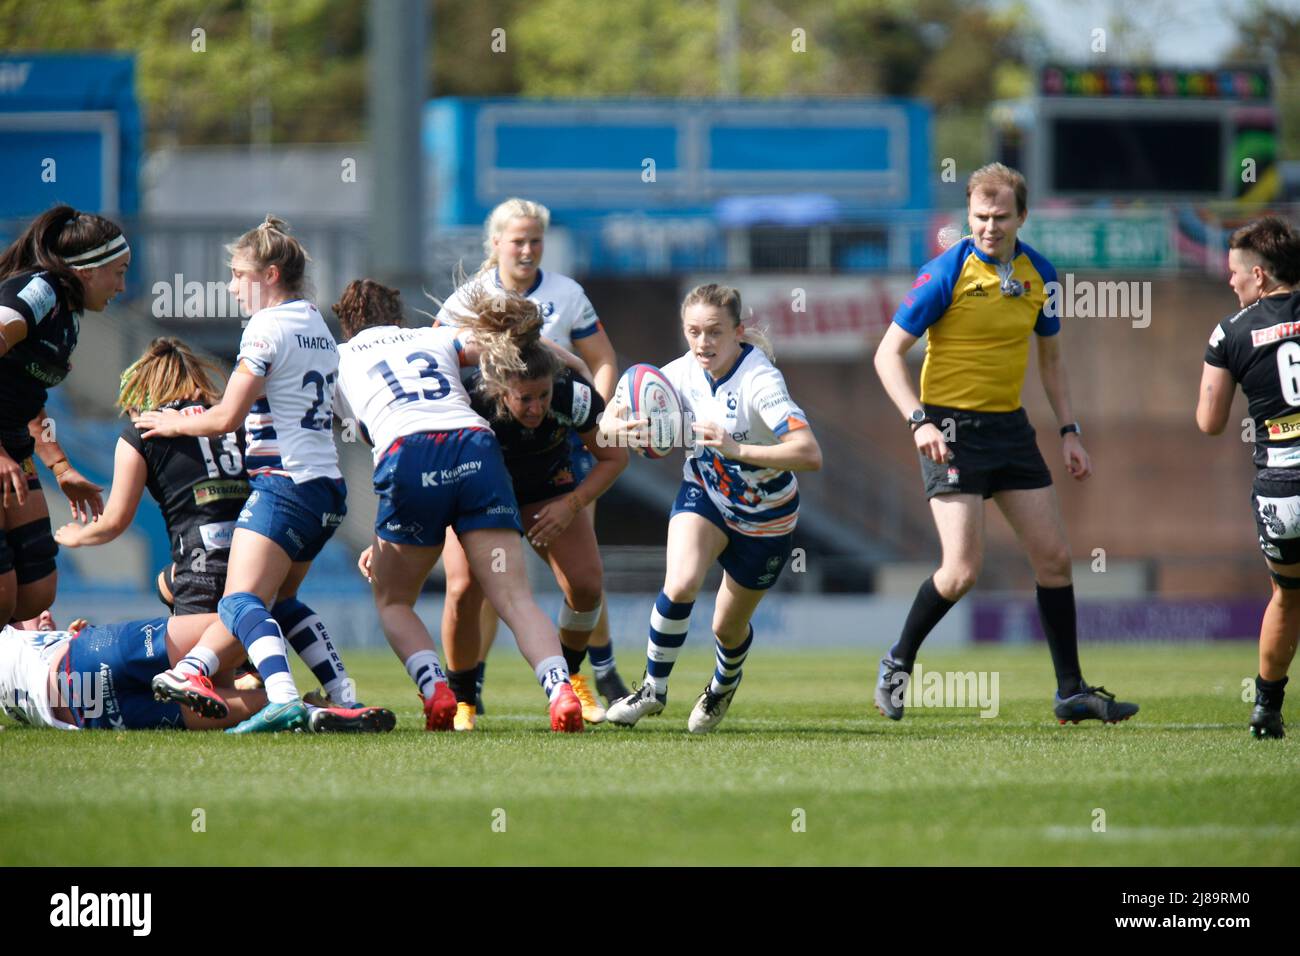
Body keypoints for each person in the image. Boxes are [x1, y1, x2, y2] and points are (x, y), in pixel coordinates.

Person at [871, 162, 1138, 725]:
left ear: (1022, 215)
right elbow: (887, 355)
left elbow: (1052, 359)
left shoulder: (1041, 273)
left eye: (1000, 217)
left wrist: (1070, 432)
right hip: (949, 430)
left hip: (1011, 430)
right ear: (967, 216)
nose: (989, 227)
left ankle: (1071, 692)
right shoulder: (945, 271)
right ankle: (898, 662)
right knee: (962, 570)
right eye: (979, 217)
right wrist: (918, 421)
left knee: (1055, 560)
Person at [134, 216, 358, 733]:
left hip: (285, 484)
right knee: (276, 600)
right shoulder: (316, 325)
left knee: (239, 601)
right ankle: (341, 691)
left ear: (271, 273)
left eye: (238, 274)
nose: (232, 285)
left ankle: (279, 697)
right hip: (327, 488)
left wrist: (171, 421)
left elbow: (228, 418)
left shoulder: (266, 325)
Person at [336, 278, 587, 732]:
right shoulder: (435, 337)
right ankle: (561, 690)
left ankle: (436, 690)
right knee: (513, 596)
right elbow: (519, 343)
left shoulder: (338, 357)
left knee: (394, 600)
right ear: (397, 317)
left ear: (348, 325)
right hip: (475, 449)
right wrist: (572, 365)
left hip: (410, 457)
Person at [435, 197, 631, 712]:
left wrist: (598, 415)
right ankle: (464, 698)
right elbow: (428, 368)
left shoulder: (567, 303)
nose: (526, 249)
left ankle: (567, 681)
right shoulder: (466, 305)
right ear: (495, 243)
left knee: (586, 582)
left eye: (535, 240)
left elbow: (601, 362)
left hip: (553, 456)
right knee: (465, 587)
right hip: (480, 472)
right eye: (517, 239)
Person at [601, 283, 822, 733]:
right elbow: (607, 424)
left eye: (715, 332)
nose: (703, 343)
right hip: (706, 495)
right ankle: (652, 690)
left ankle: (723, 683)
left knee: (726, 628)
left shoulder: (760, 380)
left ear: (738, 332)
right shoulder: (679, 374)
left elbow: (809, 453)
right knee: (680, 583)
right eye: (694, 332)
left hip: (767, 518)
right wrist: (622, 427)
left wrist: (735, 448)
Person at [1197, 215, 1300, 739]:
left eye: (1236, 271)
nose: (1229, 280)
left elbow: (1209, 423)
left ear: (1259, 275)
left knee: (1287, 594)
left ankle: (1266, 710)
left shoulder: (1230, 331)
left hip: (1282, 488)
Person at [0, 205, 128, 624]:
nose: (123, 286)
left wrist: (60, 466)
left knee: (35, 592)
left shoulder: (68, 314)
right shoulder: (40, 292)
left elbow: (27, 393)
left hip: (14, 443)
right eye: (119, 271)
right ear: (88, 269)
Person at [0, 612, 392, 733]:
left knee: (252, 705)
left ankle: (312, 714)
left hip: (89, 716)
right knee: (241, 614)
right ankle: (191, 670)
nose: (45, 615)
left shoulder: (11, 692)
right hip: (86, 656)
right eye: (32, 618)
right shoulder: (9, 638)